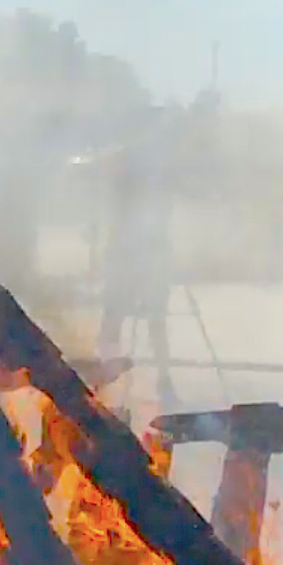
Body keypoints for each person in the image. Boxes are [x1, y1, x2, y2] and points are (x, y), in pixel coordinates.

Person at [96, 108, 178, 410]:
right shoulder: (127, 160)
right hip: (129, 250)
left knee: (152, 318)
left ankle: (163, 379)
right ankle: (107, 375)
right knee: (117, 315)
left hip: (149, 249)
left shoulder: (156, 166)